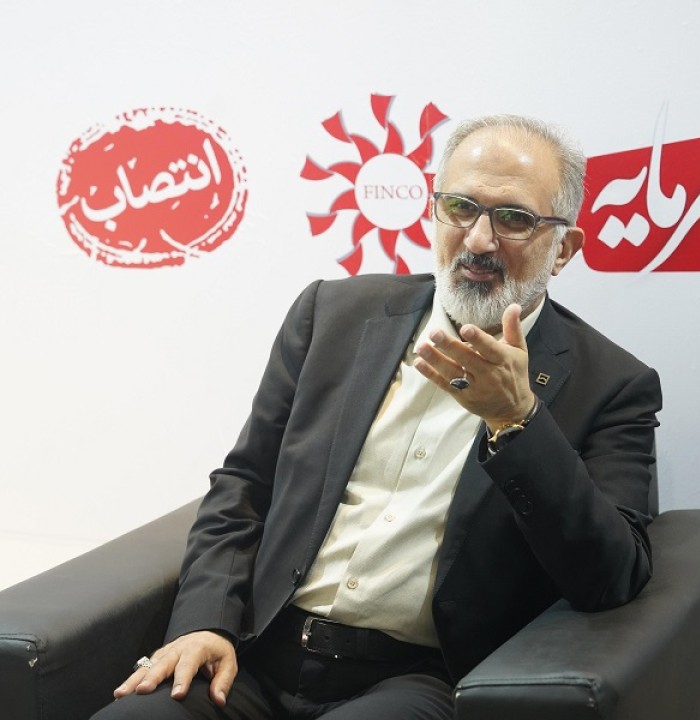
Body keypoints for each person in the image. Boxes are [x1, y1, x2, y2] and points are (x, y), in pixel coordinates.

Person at [92, 114, 662, 720]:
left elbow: (612, 577)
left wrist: (517, 421)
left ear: (564, 249)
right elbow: (245, 484)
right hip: (254, 652)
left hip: (419, 678)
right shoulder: (332, 315)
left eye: (514, 219)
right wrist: (206, 622)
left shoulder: (613, 386)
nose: (478, 240)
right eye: (460, 207)